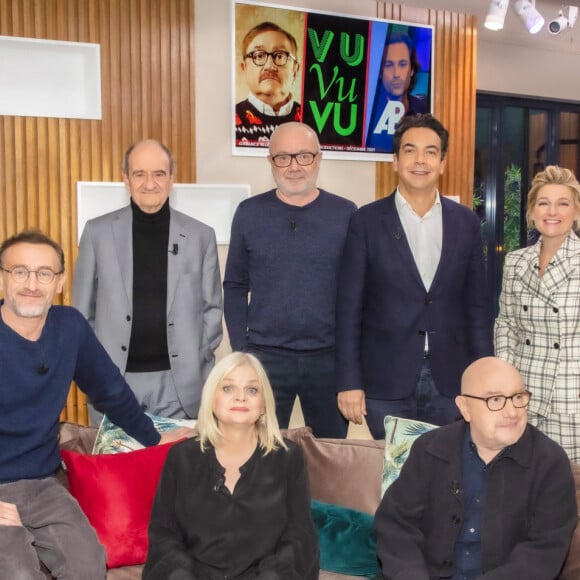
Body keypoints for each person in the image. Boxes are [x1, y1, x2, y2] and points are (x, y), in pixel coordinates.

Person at [0, 229, 192, 579]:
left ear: (59, 281)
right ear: (2, 277)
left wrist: (152, 437)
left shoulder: (69, 326)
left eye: (44, 273)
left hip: (45, 482)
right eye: (20, 271)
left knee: (88, 567)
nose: (32, 283)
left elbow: (111, 391)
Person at [336, 114, 493, 439]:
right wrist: (349, 381)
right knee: (394, 478)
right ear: (395, 160)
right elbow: (348, 309)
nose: (420, 160)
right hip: (385, 379)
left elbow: (478, 308)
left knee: (449, 476)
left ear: (443, 163)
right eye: (410, 150)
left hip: (452, 381)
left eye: (431, 151)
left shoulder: (465, 223)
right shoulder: (365, 221)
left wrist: (484, 377)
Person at [374, 356, 577, 580]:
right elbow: (396, 524)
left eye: (518, 397)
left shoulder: (550, 462)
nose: (512, 411)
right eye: (495, 400)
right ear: (465, 407)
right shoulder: (430, 448)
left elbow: (543, 553)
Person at [73, 139, 223, 423]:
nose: (149, 183)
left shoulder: (201, 236)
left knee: (176, 467)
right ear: (126, 179)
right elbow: (81, 313)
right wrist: (97, 364)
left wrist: (200, 353)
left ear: (172, 178)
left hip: (182, 387)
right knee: (118, 468)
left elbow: (212, 308)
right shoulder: (96, 233)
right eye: (139, 174)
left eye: (159, 174)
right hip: (115, 381)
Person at [224, 121, 357, 438]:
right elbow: (234, 286)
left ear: (319, 158)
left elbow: (357, 294)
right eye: (283, 157)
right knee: (258, 454)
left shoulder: (347, 214)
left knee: (330, 456)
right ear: (270, 162)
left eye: (304, 156)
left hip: (329, 360)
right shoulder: (249, 213)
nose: (294, 166)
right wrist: (242, 353)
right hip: (265, 358)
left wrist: (353, 363)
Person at [143, 351, 319, 580]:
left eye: (252, 390)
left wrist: (273, 576)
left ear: (264, 404)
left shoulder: (288, 457)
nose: (241, 397)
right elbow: (164, 535)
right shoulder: (181, 457)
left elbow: (299, 537)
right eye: (228, 388)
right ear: (211, 399)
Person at [495, 165, 580, 461]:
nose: (552, 211)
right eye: (544, 203)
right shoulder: (516, 261)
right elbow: (506, 323)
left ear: (576, 211)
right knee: (521, 486)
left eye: (563, 203)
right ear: (532, 211)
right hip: (522, 396)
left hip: (570, 397)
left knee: (568, 492)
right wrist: (506, 383)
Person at [235, 21, 302, 146]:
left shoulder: (314, 121)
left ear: (295, 69)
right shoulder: (228, 120)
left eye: (280, 56)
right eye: (259, 56)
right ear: (244, 68)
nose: (270, 66)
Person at [366, 33, 428, 153]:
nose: (396, 74)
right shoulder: (368, 113)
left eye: (402, 64)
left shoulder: (421, 108)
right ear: (379, 72)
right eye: (389, 65)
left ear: (412, 70)